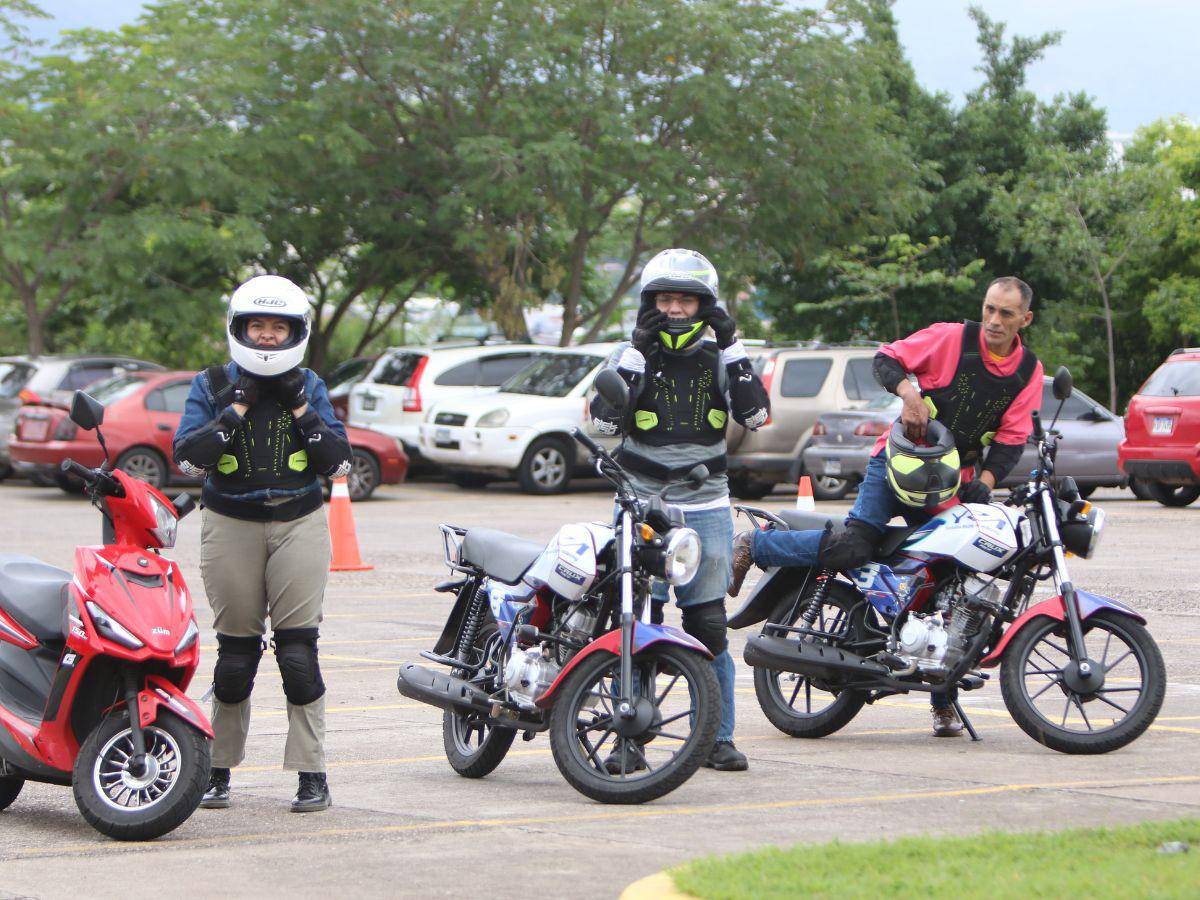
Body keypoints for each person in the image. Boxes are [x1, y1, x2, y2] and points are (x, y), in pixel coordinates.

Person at [729, 276, 1043, 737]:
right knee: (856, 546)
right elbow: (886, 359)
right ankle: (758, 545)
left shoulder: (1027, 371)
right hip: (894, 462)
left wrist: (989, 481)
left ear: (1025, 320)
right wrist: (909, 392)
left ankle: (941, 699)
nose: (994, 321)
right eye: (989, 310)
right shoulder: (951, 338)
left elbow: (1014, 438)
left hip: (948, 481)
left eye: (1006, 314)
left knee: (953, 582)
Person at [173, 275, 352, 811]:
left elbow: (338, 462)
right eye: (259, 326)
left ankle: (311, 772)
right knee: (235, 656)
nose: (269, 337)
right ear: (240, 329)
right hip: (230, 523)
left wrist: (302, 409)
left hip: (299, 522)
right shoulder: (211, 383)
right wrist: (235, 410)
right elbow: (186, 456)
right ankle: (217, 768)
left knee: (298, 652)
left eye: (279, 327)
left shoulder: (311, 385)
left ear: (295, 331)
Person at [591, 248, 770, 771]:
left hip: (708, 502)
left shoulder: (720, 358)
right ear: (649, 303)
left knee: (709, 624)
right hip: (642, 501)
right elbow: (603, 427)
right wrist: (634, 351)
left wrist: (733, 346)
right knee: (637, 619)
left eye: (686, 300)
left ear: (705, 306)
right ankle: (629, 742)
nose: (674, 309)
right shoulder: (630, 357)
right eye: (665, 299)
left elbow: (756, 415)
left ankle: (715, 737)